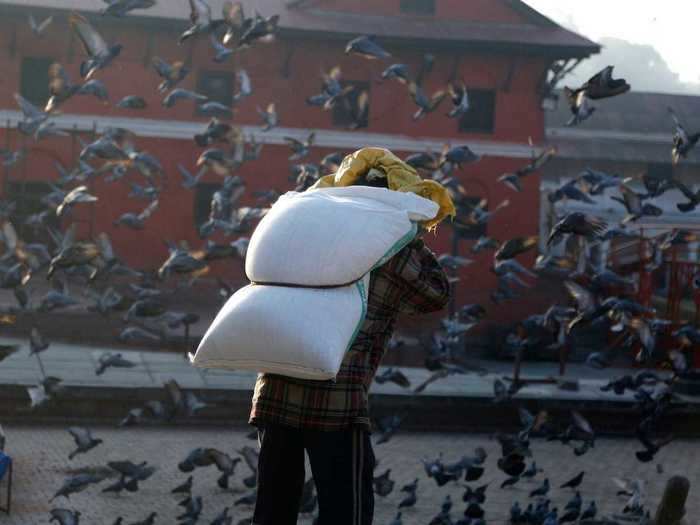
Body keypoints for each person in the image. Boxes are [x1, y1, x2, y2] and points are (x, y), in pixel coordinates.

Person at [249, 169, 451, 525]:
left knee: (272, 510)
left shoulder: (306, 231)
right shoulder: (389, 250)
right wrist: (412, 230)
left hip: (275, 390)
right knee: (347, 511)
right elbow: (436, 294)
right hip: (337, 403)